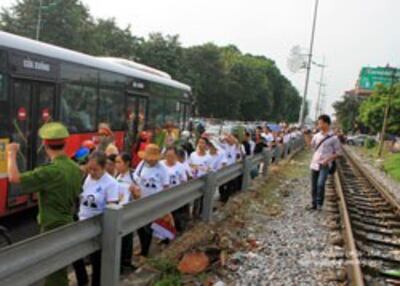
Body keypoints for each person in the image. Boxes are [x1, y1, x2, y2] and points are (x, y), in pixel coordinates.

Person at [6, 122, 82, 286]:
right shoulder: (75, 168)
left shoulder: (50, 171)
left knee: (54, 274)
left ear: (45, 144)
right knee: (59, 268)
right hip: (68, 222)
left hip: (52, 226)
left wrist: (11, 154)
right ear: (66, 143)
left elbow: (14, 178)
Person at [75, 151, 120, 286]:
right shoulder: (86, 178)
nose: (92, 172)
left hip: (98, 225)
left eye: (96, 170)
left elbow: (113, 207)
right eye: (89, 169)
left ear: (103, 168)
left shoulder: (111, 183)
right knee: (76, 255)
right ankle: (82, 280)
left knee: (97, 260)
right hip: (82, 222)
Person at [132, 144, 169, 258]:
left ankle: (145, 252)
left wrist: (163, 203)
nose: (150, 161)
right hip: (140, 200)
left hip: (153, 202)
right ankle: (143, 247)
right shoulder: (142, 164)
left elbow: (165, 186)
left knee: (148, 227)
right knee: (140, 226)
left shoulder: (162, 168)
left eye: (153, 160)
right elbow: (135, 177)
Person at [308, 114, 342, 211]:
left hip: (325, 165)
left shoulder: (334, 138)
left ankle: (319, 204)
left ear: (326, 124)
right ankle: (313, 204)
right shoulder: (316, 136)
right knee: (313, 185)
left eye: (320, 123)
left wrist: (328, 159)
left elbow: (339, 153)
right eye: (318, 123)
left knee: (320, 184)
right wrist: (306, 136)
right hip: (314, 163)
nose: (319, 125)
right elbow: (311, 147)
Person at [115, 152, 139, 273]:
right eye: (116, 162)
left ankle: (126, 263)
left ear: (127, 163)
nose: (116, 165)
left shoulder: (134, 177)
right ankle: (118, 264)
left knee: (127, 239)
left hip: (129, 213)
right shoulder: (116, 176)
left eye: (119, 162)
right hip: (117, 212)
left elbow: (139, 197)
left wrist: (134, 192)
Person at [161, 146, 189, 232]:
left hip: (175, 195)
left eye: (172, 156)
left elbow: (183, 181)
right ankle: (166, 235)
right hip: (163, 195)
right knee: (165, 217)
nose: (169, 158)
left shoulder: (180, 166)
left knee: (175, 215)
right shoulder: (161, 164)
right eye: (168, 156)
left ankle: (176, 230)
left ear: (176, 156)